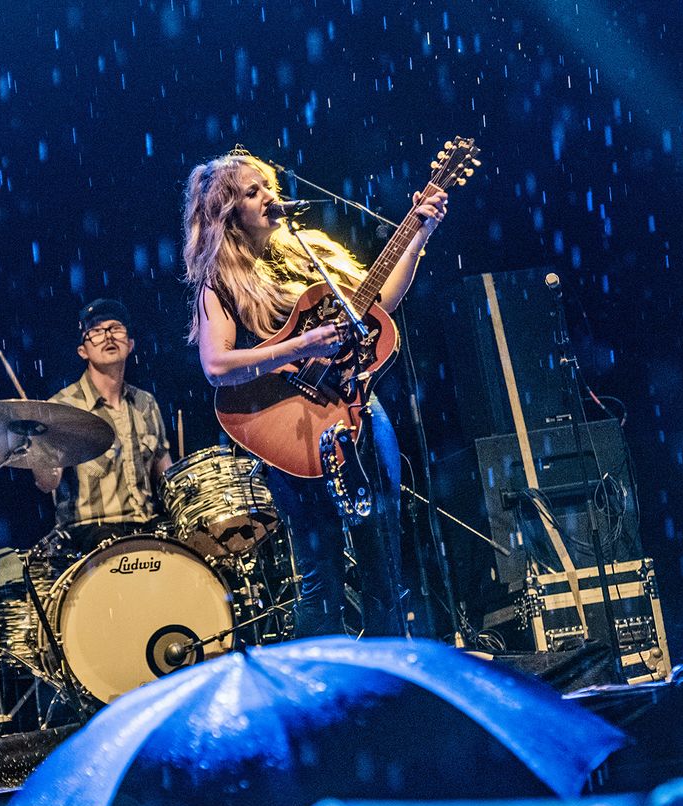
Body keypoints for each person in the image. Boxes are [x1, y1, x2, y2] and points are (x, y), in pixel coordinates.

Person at [181, 147, 447, 640]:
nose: (268, 196)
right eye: (251, 191)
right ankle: (323, 700)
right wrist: (299, 346)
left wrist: (418, 236)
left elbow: (379, 303)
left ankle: (394, 688)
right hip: (286, 422)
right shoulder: (218, 283)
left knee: (384, 565)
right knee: (319, 574)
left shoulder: (311, 253)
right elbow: (216, 366)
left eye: (267, 185)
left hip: (354, 407)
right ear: (227, 213)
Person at [32, 298, 172, 552]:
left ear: (130, 345)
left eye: (116, 328)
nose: (108, 336)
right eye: (96, 331)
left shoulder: (146, 403)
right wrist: (40, 449)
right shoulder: (62, 406)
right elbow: (47, 484)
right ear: (82, 351)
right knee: (107, 539)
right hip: (89, 530)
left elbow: (167, 478)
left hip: (145, 525)